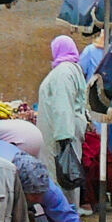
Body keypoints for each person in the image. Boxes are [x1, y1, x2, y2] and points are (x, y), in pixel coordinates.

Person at [0, 142, 97, 222]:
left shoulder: (46, 187)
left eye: (39, 198)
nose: (36, 203)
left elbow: (68, 221)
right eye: (30, 200)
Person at [37, 36, 88, 209]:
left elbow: (62, 105)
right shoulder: (70, 70)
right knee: (66, 181)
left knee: (62, 181)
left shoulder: (64, 72)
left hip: (61, 136)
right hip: (64, 133)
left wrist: (63, 140)